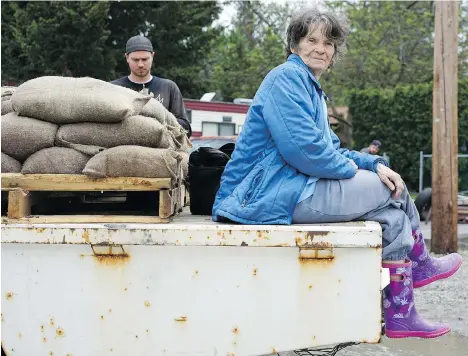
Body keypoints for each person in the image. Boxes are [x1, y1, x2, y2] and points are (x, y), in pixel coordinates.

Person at [212, 8, 462, 339]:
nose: (320, 48)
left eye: (328, 43)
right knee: (393, 190)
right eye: (311, 40)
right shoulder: (285, 80)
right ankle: (420, 264)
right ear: (294, 45)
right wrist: (359, 173)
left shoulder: (309, 88)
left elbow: (330, 148)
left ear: (333, 54)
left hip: (292, 187)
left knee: (392, 217)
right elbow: (306, 152)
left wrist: (374, 164)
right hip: (268, 194)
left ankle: (402, 314)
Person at [111, 35, 192, 137]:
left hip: (162, 151)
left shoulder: (168, 88)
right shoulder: (114, 88)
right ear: (127, 58)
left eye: (145, 59)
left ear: (153, 56)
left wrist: (160, 120)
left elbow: (186, 128)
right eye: (135, 60)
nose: (140, 64)